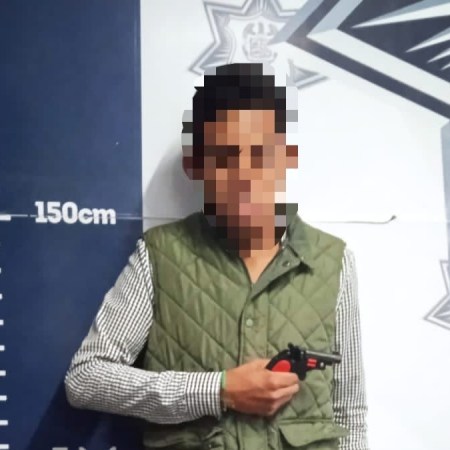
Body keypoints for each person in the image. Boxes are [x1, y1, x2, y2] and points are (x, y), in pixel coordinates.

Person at [65, 62, 368, 450]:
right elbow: (86, 378)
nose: (245, 175)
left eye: (261, 154)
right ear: (195, 165)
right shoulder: (159, 255)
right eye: (225, 156)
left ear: (287, 158)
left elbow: (349, 414)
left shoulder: (333, 261)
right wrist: (218, 389)